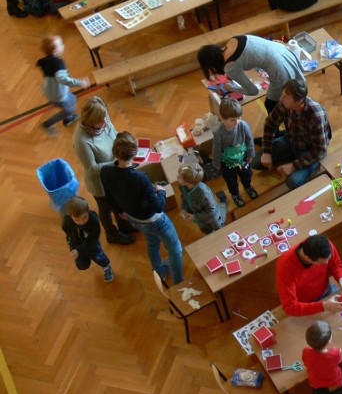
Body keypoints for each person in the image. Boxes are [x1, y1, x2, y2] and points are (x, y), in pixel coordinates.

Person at [101, 131, 184, 284]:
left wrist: (119, 211)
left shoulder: (105, 172)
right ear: (134, 154)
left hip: (134, 219)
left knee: (152, 243)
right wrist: (161, 192)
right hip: (155, 220)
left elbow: (108, 196)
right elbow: (158, 206)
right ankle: (179, 282)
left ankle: (159, 271)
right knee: (176, 249)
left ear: (115, 152)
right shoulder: (140, 178)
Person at [72, 96, 135, 245]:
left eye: (106, 116)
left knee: (118, 201)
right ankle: (111, 234)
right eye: (101, 121)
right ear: (90, 121)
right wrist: (117, 163)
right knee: (105, 208)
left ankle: (125, 226)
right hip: (99, 181)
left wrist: (125, 148)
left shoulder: (102, 119)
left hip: (115, 170)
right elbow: (92, 168)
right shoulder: (81, 140)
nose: (106, 122)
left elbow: (115, 134)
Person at [197, 35, 304, 115]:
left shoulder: (230, 67)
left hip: (279, 68)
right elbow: (249, 55)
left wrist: (231, 87)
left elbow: (253, 91)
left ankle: (279, 132)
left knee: (271, 105)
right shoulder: (233, 40)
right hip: (282, 50)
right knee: (283, 99)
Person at [259, 78, 332, 189]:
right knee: (257, 162)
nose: (281, 98)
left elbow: (319, 151)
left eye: (286, 96)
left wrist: (294, 165)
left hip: (309, 150)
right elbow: (270, 124)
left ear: (299, 101)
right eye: (282, 94)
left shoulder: (316, 115)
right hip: (291, 140)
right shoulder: (285, 103)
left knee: (293, 182)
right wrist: (266, 151)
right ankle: (291, 157)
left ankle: (308, 167)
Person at [275, 234, 342, 316]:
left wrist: (340, 277)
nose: (327, 264)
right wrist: (323, 306)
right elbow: (290, 307)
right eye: (321, 263)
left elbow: (335, 263)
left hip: (327, 289)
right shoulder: (285, 268)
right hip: (306, 304)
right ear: (308, 259)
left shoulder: (325, 245)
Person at [37, 35, 90, 134]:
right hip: (58, 96)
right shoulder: (58, 63)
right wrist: (80, 82)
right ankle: (48, 124)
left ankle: (68, 118)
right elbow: (63, 79)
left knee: (72, 99)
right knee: (69, 109)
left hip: (51, 91)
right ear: (55, 51)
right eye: (60, 45)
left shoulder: (46, 61)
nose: (63, 45)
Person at [213, 97, 258, 207]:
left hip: (242, 157)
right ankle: (235, 194)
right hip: (227, 161)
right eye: (233, 120)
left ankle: (248, 186)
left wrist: (251, 154)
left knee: (246, 174)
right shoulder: (218, 132)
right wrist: (216, 162)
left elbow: (249, 139)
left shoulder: (243, 125)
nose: (237, 122)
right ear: (223, 118)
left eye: (239, 118)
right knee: (231, 180)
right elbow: (216, 148)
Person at [62, 196, 114, 283]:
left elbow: (93, 240)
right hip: (77, 245)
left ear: (88, 211)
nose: (82, 222)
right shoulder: (67, 221)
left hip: (91, 244)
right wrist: (73, 247)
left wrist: (79, 250)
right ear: (70, 216)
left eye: (84, 217)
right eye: (77, 220)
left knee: (98, 256)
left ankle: (106, 266)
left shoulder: (93, 220)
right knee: (82, 265)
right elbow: (68, 234)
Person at [302, 320, 342, 394]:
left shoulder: (306, 352)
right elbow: (339, 360)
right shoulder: (336, 353)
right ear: (329, 340)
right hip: (337, 386)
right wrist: (337, 350)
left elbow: (306, 363)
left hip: (318, 388)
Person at [177, 163, 226, 234]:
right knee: (206, 230)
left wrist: (195, 216)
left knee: (219, 229)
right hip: (198, 216)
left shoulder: (204, 193)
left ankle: (222, 201)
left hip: (211, 217)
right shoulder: (182, 186)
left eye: (179, 177)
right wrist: (184, 208)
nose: (177, 177)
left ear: (189, 184)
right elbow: (184, 198)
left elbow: (211, 211)